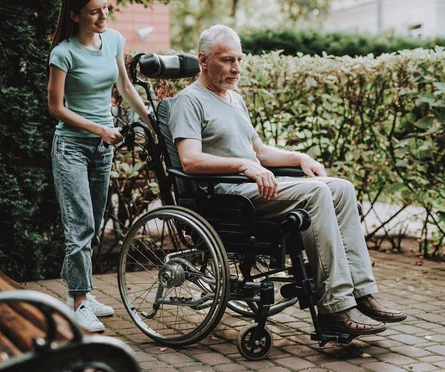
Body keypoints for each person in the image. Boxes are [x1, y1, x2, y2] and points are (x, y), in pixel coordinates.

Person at [168, 25, 406, 335]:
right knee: (316, 194)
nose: (236, 68)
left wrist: (298, 158)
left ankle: (361, 293)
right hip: (228, 196)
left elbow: (260, 152)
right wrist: (243, 166)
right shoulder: (189, 101)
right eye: (227, 60)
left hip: (253, 188)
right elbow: (190, 160)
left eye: (239, 59)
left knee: (342, 188)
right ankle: (335, 307)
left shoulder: (234, 100)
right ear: (203, 60)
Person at [47, 0, 151, 332]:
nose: (103, 15)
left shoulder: (115, 41)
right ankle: (78, 302)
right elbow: (56, 107)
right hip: (72, 147)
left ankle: (82, 293)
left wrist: (151, 121)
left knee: (91, 229)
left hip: (102, 148)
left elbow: (124, 87)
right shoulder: (63, 52)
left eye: (106, 8)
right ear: (75, 15)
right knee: (79, 226)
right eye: (94, 11)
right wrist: (100, 129)